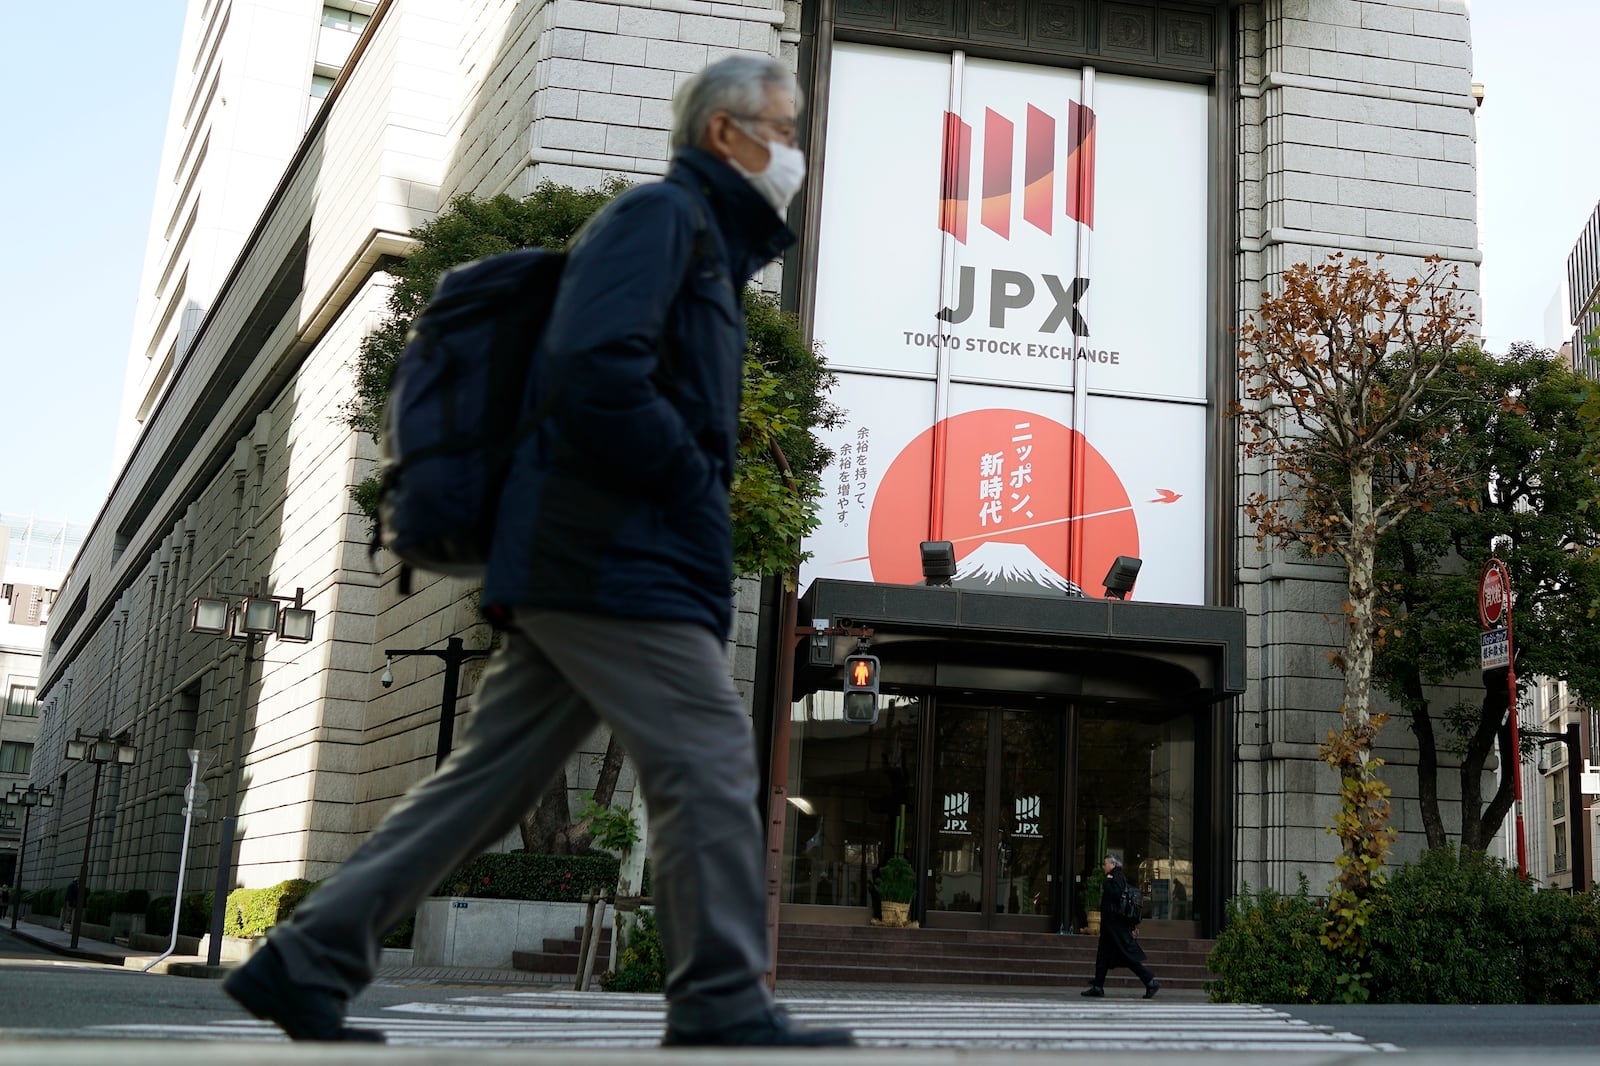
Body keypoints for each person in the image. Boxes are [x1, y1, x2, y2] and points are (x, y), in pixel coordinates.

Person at [223, 55, 853, 1048]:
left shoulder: (705, 248)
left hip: (591, 556)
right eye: (782, 126)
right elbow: (593, 366)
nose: (795, 151)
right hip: (615, 556)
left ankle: (304, 959)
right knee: (711, 760)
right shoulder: (663, 221)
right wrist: (690, 476)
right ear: (725, 135)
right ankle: (722, 997)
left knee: (487, 783)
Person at [1081, 853, 1159, 999]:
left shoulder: (1115, 877)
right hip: (1112, 928)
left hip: (1115, 928)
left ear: (1113, 865)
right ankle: (1098, 986)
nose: (1104, 867)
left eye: (1106, 864)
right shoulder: (1115, 877)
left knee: (1127, 958)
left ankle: (1150, 981)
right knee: (1103, 956)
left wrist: (1106, 882)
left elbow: (1116, 896)